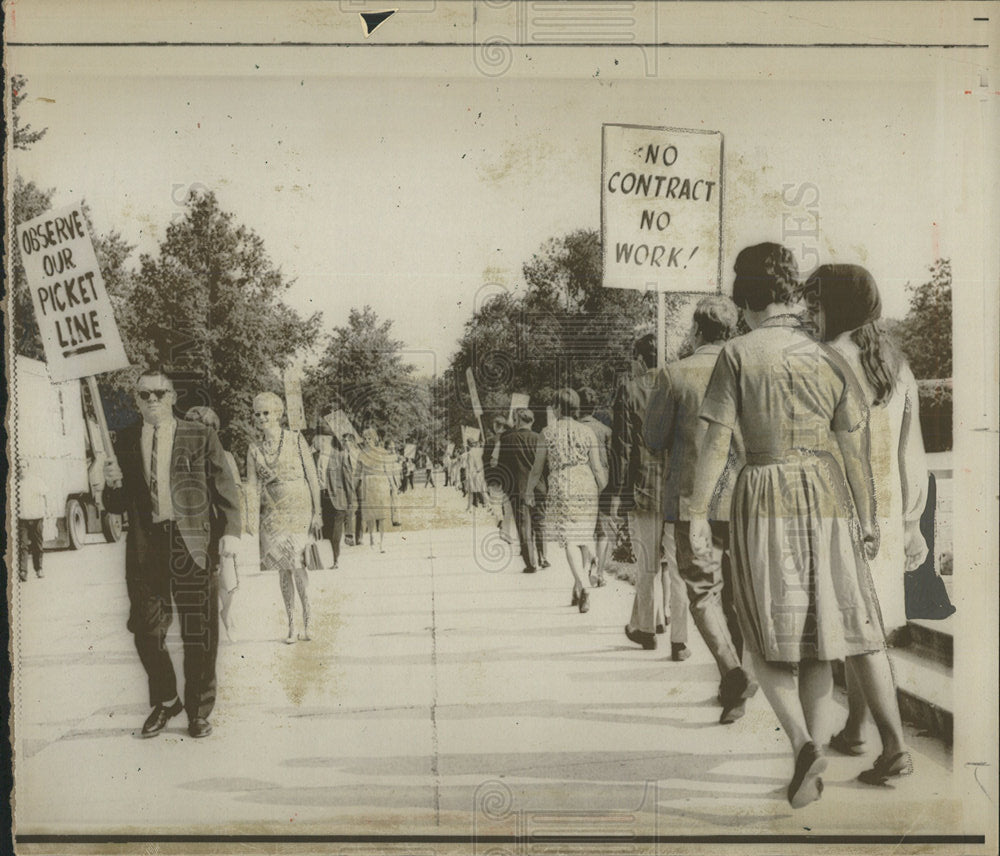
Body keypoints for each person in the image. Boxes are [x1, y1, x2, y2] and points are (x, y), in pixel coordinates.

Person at [689, 242, 911, 809]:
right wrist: (868, 517)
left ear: (744, 299)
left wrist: (695, 513)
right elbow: (854, 451)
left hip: (763, 491)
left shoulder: (737, 354)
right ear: (789, 292)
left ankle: (804, 743)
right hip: (826, 495)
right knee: (817, 635)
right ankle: (807, 751)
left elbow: (715, 442)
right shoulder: (829, 357)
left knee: (762, 627)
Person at [804, 264, 931, 756]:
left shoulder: (821, 360)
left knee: (854, 627)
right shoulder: (895, 366)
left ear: (836, 305)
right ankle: (856, 729)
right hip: (886, 512)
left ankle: (887, 745)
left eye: (816, 302)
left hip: (838, 511)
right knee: (868, 624)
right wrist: (912, 523)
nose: (811, 312)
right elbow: (909, 454)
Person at [103, 366, 241, 739]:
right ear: (136, 400)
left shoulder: (199, 434)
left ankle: (198, 710)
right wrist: (110, 483)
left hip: (193, 544)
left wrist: (231, 533)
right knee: (145, 630)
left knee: (200, 632)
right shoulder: (126, 440)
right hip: (147, 549)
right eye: (144, 395)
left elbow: (225, 487)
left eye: (159, 393)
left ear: (173, 397)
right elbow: (116, 506)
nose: (152, 401)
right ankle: (166, 700)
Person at [645, 295, 755, 723]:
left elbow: (654, 438)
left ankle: (732, 673)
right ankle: (735, 691)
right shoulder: (749, 370)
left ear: (696, 330)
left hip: (692, 500)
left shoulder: (674, 374)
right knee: (737, 596)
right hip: (744, 497)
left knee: (703, 593)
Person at [612, 334, 690, 659]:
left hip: (643, 486)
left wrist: (618, 492)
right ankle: (680, 640)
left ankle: (646, 629)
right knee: (679, 567)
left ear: (640, 359)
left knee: (646, 565)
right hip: (677, 489)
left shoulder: (629, 391)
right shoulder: (681, 386)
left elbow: (622, 448)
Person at [246, 391, 322, 644]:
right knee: (282, 568)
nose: (261, 418)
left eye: (266, 413)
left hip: (299, 507)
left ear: (278, 414)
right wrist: (250, 518)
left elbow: (312, 476)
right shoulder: (254, 449)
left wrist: (318, 513)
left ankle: (308, 621)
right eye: (257, 414)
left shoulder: (295, 439)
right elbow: (252, 486)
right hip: (272, 513)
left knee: (297, 563)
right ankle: (291, 624)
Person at [527, 389, 606, 612]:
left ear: (560, 407)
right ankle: (583, 576)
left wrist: (529, 491)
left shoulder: (547, 433)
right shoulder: (587, 432)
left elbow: (537, 469)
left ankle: (582, 586)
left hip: (562, 484)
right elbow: (597, 467)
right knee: (583, 536)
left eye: (553, 405)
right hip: (586, 483)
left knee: (569, 539)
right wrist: (601, 489)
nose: (552, 408)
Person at [185, 406, 247, 641]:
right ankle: (210, 626)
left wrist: (234, 528)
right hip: (199, 527)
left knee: (228, 580)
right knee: (206, 578)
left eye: (206, 429)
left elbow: (233, 491)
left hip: (220, 526)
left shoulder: (225, 456)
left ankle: (225, 613)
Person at [498, 408, 548, 573]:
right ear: (532, 421)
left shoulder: (506, 440)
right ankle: (543, 557)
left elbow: (502, 468)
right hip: (539, 488)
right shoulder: (539, 439)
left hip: (517, 489)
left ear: (517, 421)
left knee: (523, 525)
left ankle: (531, 563)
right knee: (540, 523)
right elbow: (546, 466)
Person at [577, 387, 614, 587]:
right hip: (603, 484)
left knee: (581, 531)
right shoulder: (605, 431)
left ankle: (587, 564)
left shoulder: (574, 429)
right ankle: (599, 573)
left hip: (580, 484)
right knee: (603, 531)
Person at [320, 430, 357, 569]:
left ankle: (335, 560)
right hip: (324, 499)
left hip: (338, 500)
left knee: (335, 533)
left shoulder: (342, 456)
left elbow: (348, 481)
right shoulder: (320, 456)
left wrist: (349, 501)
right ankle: (328, 559)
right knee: (326, 531)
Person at [357, 427, 395, 552]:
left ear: (374, 439)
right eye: (365, 439)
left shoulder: (382, 452)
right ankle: (372, 537)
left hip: (381, 484)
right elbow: (357, 472)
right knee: (370, 515)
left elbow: (387, 470)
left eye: (370, 438)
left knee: (382, 515)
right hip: (367, 485)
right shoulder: (361, 454)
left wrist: (392, 484)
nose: (367, 441)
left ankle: (382, 542)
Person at [16, 459, 47, 581]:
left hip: (37, 517)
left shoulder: (36, 481)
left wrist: (47, 510)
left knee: (37, 545)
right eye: (19, 467)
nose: (21, 469)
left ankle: (39, 568)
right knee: (23, 545)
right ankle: (23, 571)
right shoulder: (16, 483)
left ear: (28, 467)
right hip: (23, 518)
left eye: (24, 466)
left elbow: (45, 495)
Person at [466, 439, 487, 510]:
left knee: (471, 491)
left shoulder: (470, 453)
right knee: (483, 490)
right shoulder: (481, 450)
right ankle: (489, 505)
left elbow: (471, 466)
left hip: (474, 473)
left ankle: (469, 507)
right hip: (482, 472)